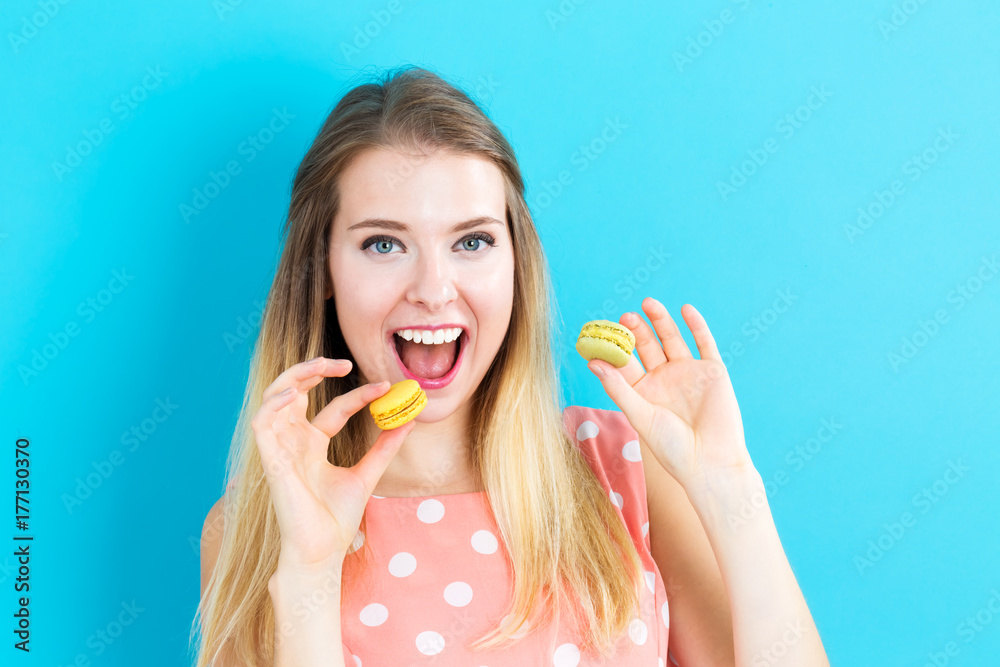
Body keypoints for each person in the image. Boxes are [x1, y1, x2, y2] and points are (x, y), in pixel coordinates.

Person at [192, 65, 830, 667]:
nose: (434, 288)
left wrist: (729, 488)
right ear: (323, 270)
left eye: (472, 241)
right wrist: (310, 569)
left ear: (515, 265)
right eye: (383, 244)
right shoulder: (259, 524)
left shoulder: (626, 469)